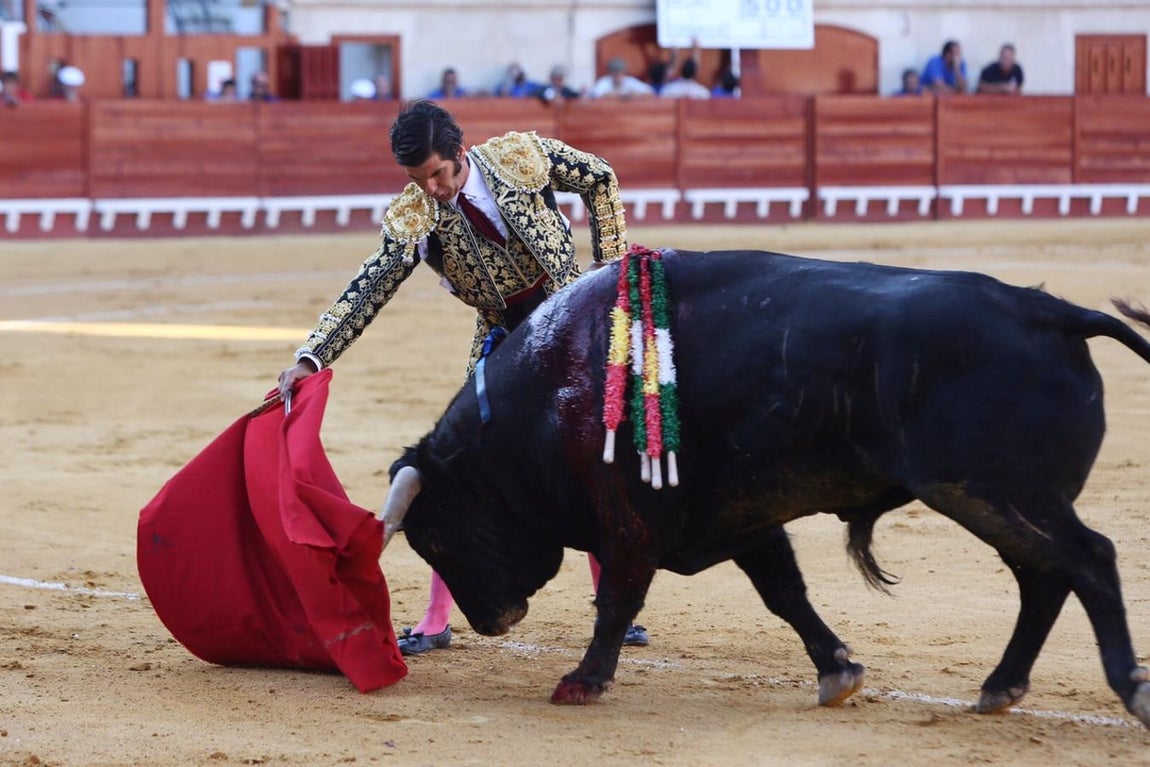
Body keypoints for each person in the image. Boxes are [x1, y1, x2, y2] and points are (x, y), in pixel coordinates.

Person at [275, 99, 650, 655]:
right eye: (417, 179)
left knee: (592, 455)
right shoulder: (414, 216)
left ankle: (615, 608)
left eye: (437, 174)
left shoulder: (518, 157)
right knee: (460, 467)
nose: (431, 189)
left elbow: (599, 177)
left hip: (569, 321)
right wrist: (312, 357)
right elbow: (371, 285)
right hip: (501, 335)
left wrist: (609, 266)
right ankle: (434, 618)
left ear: (460, 153)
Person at [589, 57, 654, 100]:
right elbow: (596, 96)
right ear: (611, 73)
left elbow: (650, 92)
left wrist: (636, 95)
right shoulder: (604, 82)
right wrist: (620, 96)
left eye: (621, 73)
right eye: (615, 73)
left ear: (624, 72)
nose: (618, 76)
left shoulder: (630, 81)